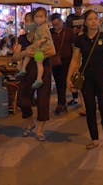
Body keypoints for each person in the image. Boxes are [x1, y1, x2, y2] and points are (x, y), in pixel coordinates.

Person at [67, 10, 103, 149]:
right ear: (85, 22)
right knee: (89, 108)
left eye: (95, 18)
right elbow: (75, 60)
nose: (94, 21)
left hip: (102, 76)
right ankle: (94, 138)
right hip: (86, 78)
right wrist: (68, 78)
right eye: (90, 19)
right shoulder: (80, 39)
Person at [13, 12, 54, 141]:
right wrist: (26, 52)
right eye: (27, 20)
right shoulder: (22, 38)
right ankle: (30, 123)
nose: (29, 23)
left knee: (42, 101)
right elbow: (15, 56)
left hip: (43, 69)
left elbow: (52, 51)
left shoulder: (43, 34)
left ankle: (40, 130)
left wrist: (38, 54)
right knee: (22, 99)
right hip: (28, 71)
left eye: (32, 20)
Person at [18, 7, 55, 89]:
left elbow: (49, 45)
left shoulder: (44, 28)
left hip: (41, 49)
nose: (38, 19)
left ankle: (39, 79)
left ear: (45, 18)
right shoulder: (37, 29)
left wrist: (40, 42)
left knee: (38, 62)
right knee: (29, 55)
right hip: (38, 49)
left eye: (41, 16)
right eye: (36, 17)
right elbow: (16, 56)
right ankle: (23, 69)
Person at [50, 13, 75, 115]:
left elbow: (73, 46)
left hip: (67, 60)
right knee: (58, 81)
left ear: (61, 21)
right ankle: (62, 103)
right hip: (54, 61)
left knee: (63, 81)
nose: (56, 26)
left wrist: (75, 61)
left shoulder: (69, 32)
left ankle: (61, 103)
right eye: (54, 25)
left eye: (57, 23)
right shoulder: (50, 32)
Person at [65, 0, 85, 105]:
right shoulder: (70, 18)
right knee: (74, 71)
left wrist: (82, 30)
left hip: (83, 47)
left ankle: (83, 94)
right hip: (73, 47)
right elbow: (67, 31)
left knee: (82, 70)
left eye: (79, 8)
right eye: (76, 8)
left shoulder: (85, 17)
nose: (78, 10)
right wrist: (74, 31)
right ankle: (75, 96)